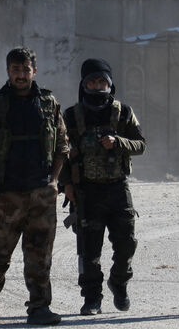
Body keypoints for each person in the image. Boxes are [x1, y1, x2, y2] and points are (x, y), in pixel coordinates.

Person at [0, 46, 70, 326]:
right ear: (8, 71)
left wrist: (54, 181)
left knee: (40, 256)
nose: (21, 75)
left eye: (25, 69)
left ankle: (39, 307)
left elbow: (63, 147)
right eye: (16, 70)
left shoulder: (48, 103)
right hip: (4, 195)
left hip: (40, 194)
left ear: (34, 70)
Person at [61, 58, 145, 315]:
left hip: (118, 190)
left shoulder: (124, 113)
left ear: (110, 85)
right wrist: (66, 185)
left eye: (102, 82)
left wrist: (118, 141)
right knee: (89, 250)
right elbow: (61, 153)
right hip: (87, 192)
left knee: (126, 243)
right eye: (92, 82)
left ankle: (119, 283)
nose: (97, 87)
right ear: (84, 84)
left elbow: (141, 144)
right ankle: (92, 298)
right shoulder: (71, 116)